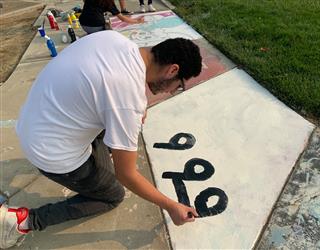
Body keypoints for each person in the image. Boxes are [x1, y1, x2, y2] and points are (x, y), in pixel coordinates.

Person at [0, 31, 202, 249]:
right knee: (112, 195)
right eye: (178, 86)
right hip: (51, 153)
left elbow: (105, 88)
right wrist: (171, 205)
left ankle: (100, 154)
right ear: (173, 70)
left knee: (113, 130)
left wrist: (133, 110)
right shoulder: (128, 98)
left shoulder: (114, 39)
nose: (172, 92)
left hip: (36, 121)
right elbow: (127, 175)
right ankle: (23, 221)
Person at [79, 0, 144, 34]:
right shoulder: (108, 2)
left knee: (105, 20)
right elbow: (123, 19)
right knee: (109, 27)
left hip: (83, 24)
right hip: (96, 27)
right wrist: (137, 21)